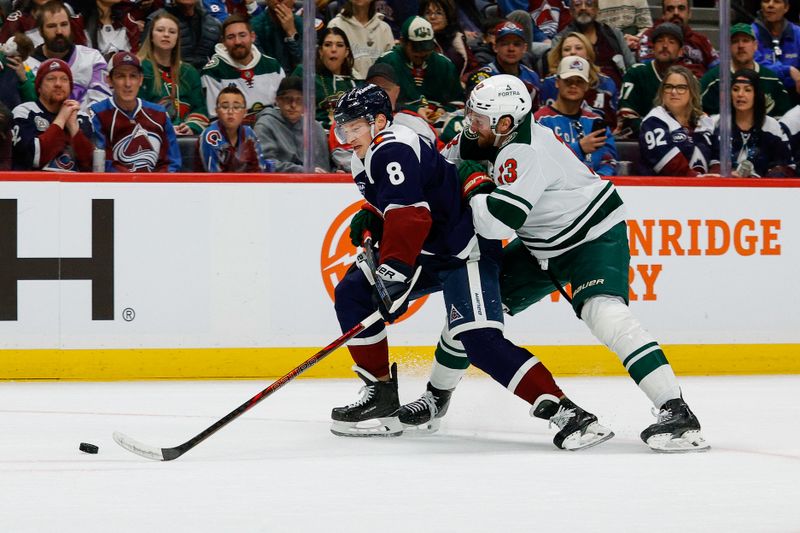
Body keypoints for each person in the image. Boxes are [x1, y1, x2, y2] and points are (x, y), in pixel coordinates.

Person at [330, 82, 614, 451]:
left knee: (478, 341)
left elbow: (412, 216)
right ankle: (380, 393)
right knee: (353, 293)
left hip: (466, 248)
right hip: (428, 248)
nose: (347, 137)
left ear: (379, 122)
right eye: (343, 129)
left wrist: (394, 269)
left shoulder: (391, 147)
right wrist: (373, 215)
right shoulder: (364, 157)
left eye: (354, 127)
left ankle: (568, 413)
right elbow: (407, 197)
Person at [435, 74, 708, 453]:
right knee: (470, 315)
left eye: (479, 119)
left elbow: (496, 224)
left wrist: (474, 184)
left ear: (505, 122)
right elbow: (441, 163)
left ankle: (677, 412)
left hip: (592, 236)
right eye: (472, 115)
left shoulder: (525, 151)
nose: (471, 124)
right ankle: (435, 398)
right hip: (541, 246)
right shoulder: (489, 135)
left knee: (605, 315)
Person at [90, 51, 181, 172]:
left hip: (156, 182)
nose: (128, 84)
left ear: (141, 80)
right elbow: (102, 163)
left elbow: (172, 162)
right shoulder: (98, 113)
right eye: (120, 76)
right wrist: (132, 181)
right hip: (117, 183)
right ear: (109, 80)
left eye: (133, 76)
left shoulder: (159, 114)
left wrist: (156, 181)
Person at [534, 56, 617, 176]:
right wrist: (579, 148)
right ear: (557, 82)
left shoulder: (595, 121)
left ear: (587, 85)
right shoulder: (540, 120)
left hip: (594, 184)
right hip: (556, 185)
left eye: (579, 81)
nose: (573, 85)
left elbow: (610, 161)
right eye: (568, 80)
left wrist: (598, 179)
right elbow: (538, 162)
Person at [200, 14, 285, 126]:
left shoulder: (272, 66)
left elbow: (283, 110)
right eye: (231, 37)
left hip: (271, 128)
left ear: (252, 37)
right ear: (223, 42)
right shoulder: (212, 71)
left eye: (242, 35)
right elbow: (216, 118)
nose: (237, 42)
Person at [26, 0, 111, 110]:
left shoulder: (92, 58)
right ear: (41, 31)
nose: (59, 31)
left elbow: (102, 100)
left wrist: (79, 118)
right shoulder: (27, 64)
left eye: (64, 24)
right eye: (51, 26)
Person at [709, 69, 795, 177]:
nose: (740, 94)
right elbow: (710, 162)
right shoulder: (716, 123)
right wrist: (727, 176)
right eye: (735, 89)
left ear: (756, 94)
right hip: (722, 185)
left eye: (747, 90)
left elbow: (785, 166)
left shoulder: (772, 127)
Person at [11, 58, 93, 170]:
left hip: (74, 180)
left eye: (64, 79)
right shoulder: (24, 112)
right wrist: (61, 119)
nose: (58, 84)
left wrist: (74, 127)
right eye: (51, 79)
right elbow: (34, 158)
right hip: (35, 180)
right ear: (39, 87)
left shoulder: (82, 117)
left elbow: (90, 164)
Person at [137, 11, 208, 135]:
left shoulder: (189, 72)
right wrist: (164, 128)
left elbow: (200, 109)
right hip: (151, 135)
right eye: (160, 30)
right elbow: (135, 109)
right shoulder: (140, 68)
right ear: (151, 36)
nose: (166, 35)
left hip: (186, 138)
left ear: (177, 38)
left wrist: (191, 127)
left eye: (172, 32)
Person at [700, 23, 792, 118]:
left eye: (745, 40)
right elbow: (696, 110)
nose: (740, 45)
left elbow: (783, 117)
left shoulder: (771, 79)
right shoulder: (713, 79)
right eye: (735, 41)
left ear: (755, 45)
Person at [375, 16, 464, 113]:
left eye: (427, 47)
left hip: (439, 120)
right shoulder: (387, 62)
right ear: (402, 42)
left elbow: (458, 102)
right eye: (416, 47)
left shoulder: (444, 64)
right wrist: (414, 110)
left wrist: (444, 110)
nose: (422, 53)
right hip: (400, 118)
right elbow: (377, 101)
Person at [638, 65, 713, 176]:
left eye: (681, 87)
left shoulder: (704, 121)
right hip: (663, 185)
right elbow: (668, 164)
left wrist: (717, 176)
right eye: (668, 87)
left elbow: (718, 156)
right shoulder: (654, 120)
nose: (673, 92)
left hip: (706, 184)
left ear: (692, 92)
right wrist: (698, 179)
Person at [617, 22, 683, 138]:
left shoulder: (687, 80)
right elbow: (626, 117)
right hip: (640, 140)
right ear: (652, 48)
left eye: (671, 42)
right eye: (660, 41)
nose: (665, 45)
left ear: (680, 52)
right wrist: (658, 132)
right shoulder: (637, 73)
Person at [252, 75, 331, 173]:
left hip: (316, 181)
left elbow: (324, 167)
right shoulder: (265, 125)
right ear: (278, 101)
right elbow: (265, 164)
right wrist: (303, 171)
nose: (293, 105)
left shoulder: (315, 127)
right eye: (287, 99)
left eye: (299, 100)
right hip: (279, 181)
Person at [541, 30, 619, 126]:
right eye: (567, 49)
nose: (573, 52)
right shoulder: (550, 83)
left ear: (588, 53)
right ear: (561, 56)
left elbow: (613, 122)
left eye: (578, 48)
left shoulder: (606, 83)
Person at [553, 0, 635, 89]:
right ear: (571, 11)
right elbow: (556, 73)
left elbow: (631, 66)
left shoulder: (613, 34)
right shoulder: (560, 40)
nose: (583, 8)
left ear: (597, 10)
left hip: (619, 90)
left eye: (589, 4)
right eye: (577, 4)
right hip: (580, 91)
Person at [290, 26, 359, 131]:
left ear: (346, 52)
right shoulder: (305, 74)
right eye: (328, 45)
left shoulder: (355, 84)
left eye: (339, 45)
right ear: (320, 51)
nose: (333, 49)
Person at [466, 21, 541, 108]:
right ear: (495, 47)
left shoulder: (532, 76)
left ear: (524, 48)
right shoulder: (483, 77)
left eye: (517, 44)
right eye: (505, 44)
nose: (511, 49)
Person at [198, 86, 271, 172]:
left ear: (245, 112)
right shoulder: (211, 136)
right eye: (225, 107)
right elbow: (214, 176)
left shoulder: (249, 134)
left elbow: (259, 169)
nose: (230, 112)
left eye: (236, 107)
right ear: (216, 111)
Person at [638, 0, 719, 79]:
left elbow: (718, 70)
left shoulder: (701, 40)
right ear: (663, 15)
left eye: (681, 8)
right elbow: (649, 72)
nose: (676, 13)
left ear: (689, 13)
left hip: (699, 85)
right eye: (670, 9)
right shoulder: (650, 37)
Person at [327, 0, 394, 79]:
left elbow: (390, 65)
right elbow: (334, 64)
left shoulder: (384, 28)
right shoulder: (336, 25)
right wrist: (360, 82)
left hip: (378, 84)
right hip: (346, 83)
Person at [149, 0, 221, 72]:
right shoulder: (156, 20)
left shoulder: (211, 23)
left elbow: (216, 59)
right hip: (166, 75)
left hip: (203, 76)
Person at [419, 0, 478, 82]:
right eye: (428, 13)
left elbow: (474, 68)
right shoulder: (419, 42)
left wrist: (463, 80)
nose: (432, 17)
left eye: (438, 13)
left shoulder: (457, 38)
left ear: (448, 17)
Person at [752, 0, 800, 99]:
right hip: (761, 93)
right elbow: (755, 66)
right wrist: (788, 70)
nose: (770, 5)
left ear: (786, 8)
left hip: (794, 93)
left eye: (777, 1)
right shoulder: (750, 34)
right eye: (766, 1)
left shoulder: (797, 33)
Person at [0, 0, 87, 48]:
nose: (59, 31)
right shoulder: (16, 21)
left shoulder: (72, 18)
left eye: (64, 24)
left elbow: (83, 56)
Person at [251, 0, 303, 75]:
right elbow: (261, 65)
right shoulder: (255, 26)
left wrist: (291, 31)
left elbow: (302, 64)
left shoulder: (303, 24)